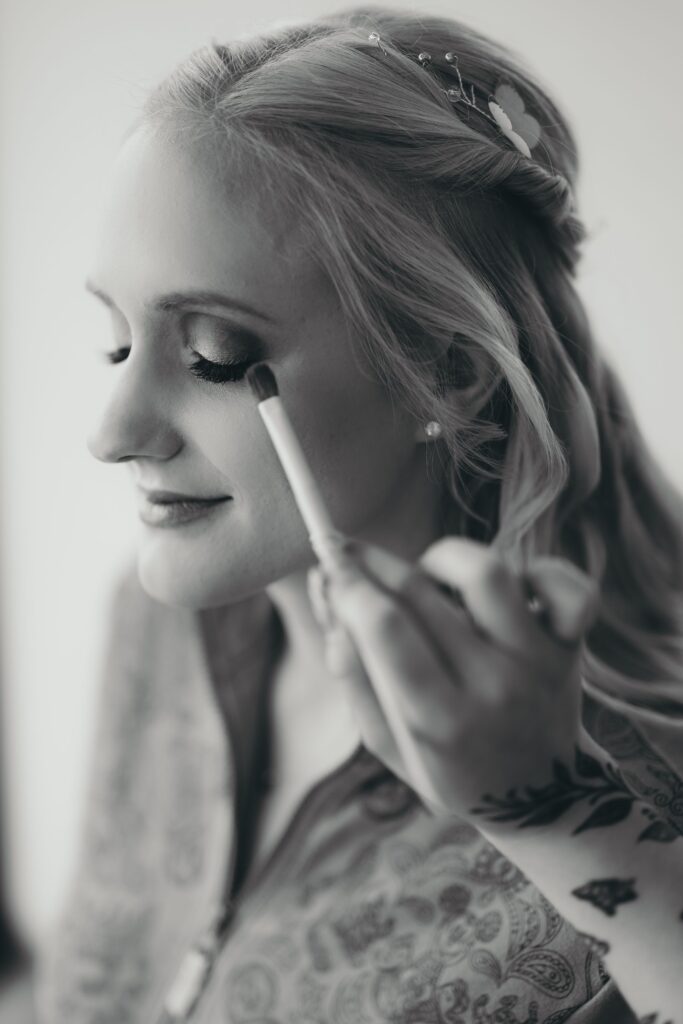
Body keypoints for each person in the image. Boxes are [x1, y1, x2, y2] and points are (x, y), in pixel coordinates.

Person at [34, 6, 683, 1023]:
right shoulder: (161, 620)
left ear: (449, 374)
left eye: (209, 352)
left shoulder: (646, 781)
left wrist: (556, 817)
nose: (112, 434)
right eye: (115, 339)